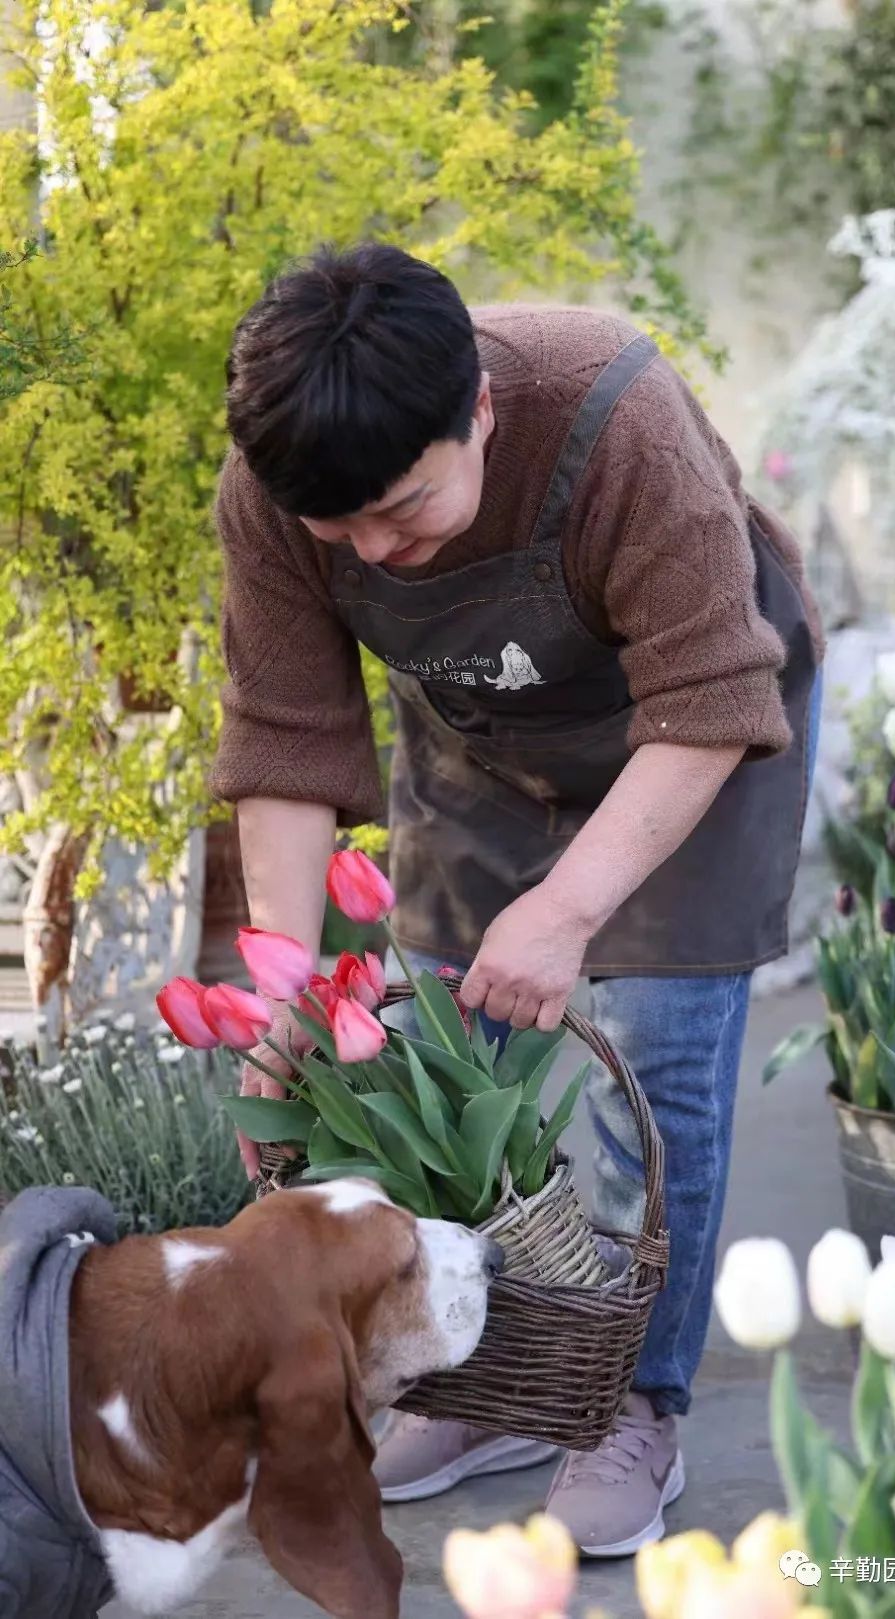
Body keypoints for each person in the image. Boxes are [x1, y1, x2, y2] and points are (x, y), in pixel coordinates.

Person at [210, 241, 824, 1558]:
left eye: (409, 511)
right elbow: (285, 736)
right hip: (485, 728)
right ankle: (489, 1386)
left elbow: (712, 697)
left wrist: (570, 910)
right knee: (443, 1064)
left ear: (478, 409)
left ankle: (631, 1404)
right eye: (344, 533)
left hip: (695, 733)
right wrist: (289, 996)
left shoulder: (611, 413)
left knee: (652, 1059)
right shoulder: (278, 481)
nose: (378, 550)